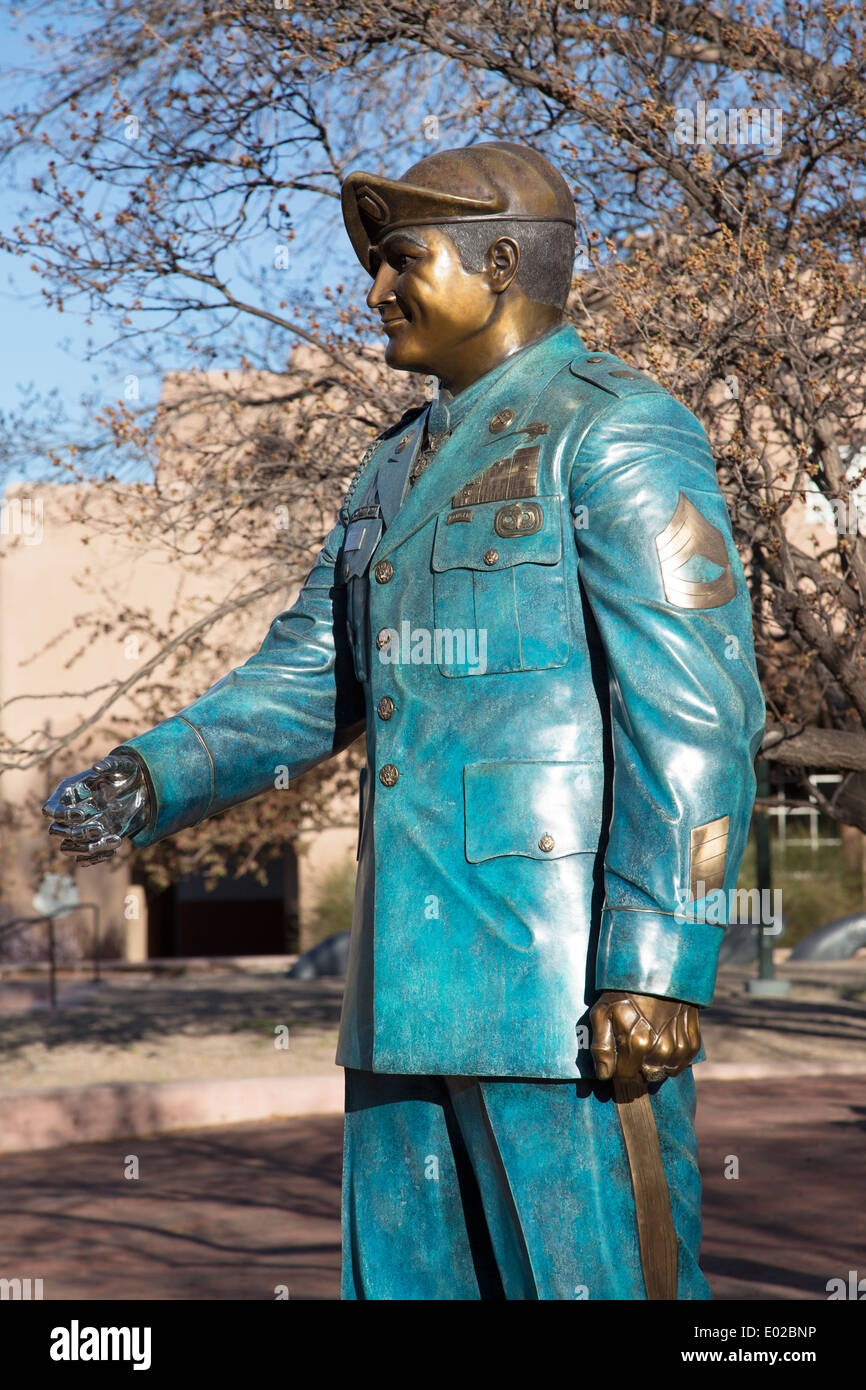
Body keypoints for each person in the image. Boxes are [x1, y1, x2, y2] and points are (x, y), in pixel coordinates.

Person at [43, 141, 765, 1300]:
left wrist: (657, 961)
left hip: (564, 992)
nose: (375, 289)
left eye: (400, 259)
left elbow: (691, 712)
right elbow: (306, 676)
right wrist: (149, 774)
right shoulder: (389, 470)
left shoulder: (616, 428)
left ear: (498, 260)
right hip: (402, 993)